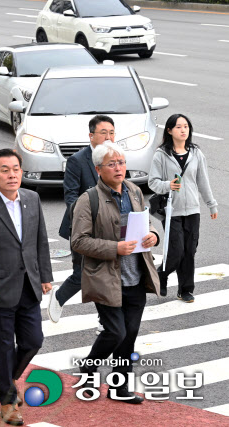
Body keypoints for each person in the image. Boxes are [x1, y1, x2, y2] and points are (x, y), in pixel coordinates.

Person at [0, 149, 53, 426]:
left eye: (16, 169)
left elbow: (40, 240)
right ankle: (8, 402)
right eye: (5, 170)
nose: (12, 174)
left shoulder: (31, 198)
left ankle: (4, 375)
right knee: (2, 347)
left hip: (29, 286)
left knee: (33, 341)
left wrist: (45, 276)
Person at [71, 142, 160, 404]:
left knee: (129, 335)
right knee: (116, 333)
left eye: (121, 162)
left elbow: (147, 221)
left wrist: (152, 235)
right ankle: (89, 367)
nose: (119, 167)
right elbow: (78, 241)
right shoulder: (89, 200)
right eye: (112, 163)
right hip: (105, 279)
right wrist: (115, 248)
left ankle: (119, 388)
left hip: (135, 275)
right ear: (99, 169)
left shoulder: (133, 191)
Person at [50, 115, 114, 324]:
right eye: (103, 132)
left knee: (106, 275)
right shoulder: (77, 160)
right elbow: (70, 196)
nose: (108, 137)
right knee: (82, 274)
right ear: (91, 135)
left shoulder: (116, 159)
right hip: (83, 228)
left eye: (112, 133)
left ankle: (105, 321)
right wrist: (86, 218)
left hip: (109, 229)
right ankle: (59, 298)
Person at [149, 114, 217, 302]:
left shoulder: (196, 153)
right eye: (179, 127)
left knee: (190, 251)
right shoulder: (161, 155)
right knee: (176, 251)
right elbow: (152, 182)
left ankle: (185, 289)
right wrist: (168, 185)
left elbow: (203, 182)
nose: (183, 130)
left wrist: (211, 204)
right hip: (172, 211)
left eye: (186, 126)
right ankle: (161, 275)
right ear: (169, 130)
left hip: (193, 211)